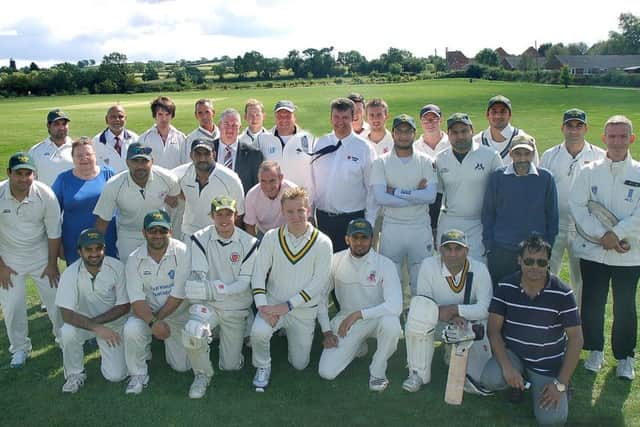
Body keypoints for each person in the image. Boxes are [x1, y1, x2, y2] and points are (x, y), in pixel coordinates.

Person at [480, 234, 582, 426]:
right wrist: (508, 368)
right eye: (529, 261)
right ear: (519, 260)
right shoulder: (505, 286)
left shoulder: (563, 293)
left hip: (547, 364)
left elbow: (576, 339)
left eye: (541, 262)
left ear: (548, 263)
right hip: (514, 355)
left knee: (552, 420)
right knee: (490, 379)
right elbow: (493, 331)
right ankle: (518, 381)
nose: (535, 267)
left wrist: (560, 383)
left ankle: (563, 385)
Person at [569, 115, 639, 380]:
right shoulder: (589, 171)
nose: (617, 141)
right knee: (592, 302)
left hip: (629, 253)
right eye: (612, 136)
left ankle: (624, 357)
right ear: (604, 138)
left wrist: (616, 234)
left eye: (623, 136)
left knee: (625, 305)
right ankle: (594, 350)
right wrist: (602, 236)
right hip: (593, 251)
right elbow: (578, 206)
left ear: (631, 138)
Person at [250, 187, 332, 390]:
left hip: (302, 311)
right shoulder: (270, 237)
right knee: (258, 332)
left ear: (308, 209)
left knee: (300, 365)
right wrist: (262, 307)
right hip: (272, 305)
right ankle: (263, 366)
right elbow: (258, 273)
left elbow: (318, 283)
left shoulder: (323, 242)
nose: (296, 216)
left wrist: (287, 306)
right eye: (290, 211)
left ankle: (287, 334)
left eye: (300, 210)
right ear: (282, 211)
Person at [182, 196, 258, 398]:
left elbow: (243, 283)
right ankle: (201, 375)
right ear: (211, 216)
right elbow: (199, 275)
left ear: (236, 215)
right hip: (211, 305)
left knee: (230, 367)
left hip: (235, 306)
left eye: (229, 214)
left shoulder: (249, 242)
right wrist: (207, 290)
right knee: (193, 332)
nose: (224, 219)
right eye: (219, 214)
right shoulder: (199, 237)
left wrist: (213, 289)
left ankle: (242, 328)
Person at [403, 229, 493, 394]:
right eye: (447, 248)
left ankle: (456, 356)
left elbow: (485, 309)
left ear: (467, 250)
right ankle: (417, 373)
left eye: (458, 249)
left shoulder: (479, 269)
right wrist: (447, 315)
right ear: (439, 249)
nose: (452, 254)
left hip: (468, 325)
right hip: (437, 320)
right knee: (417, 317)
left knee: (479, 379)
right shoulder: (428, 266)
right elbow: (424, 305)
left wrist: (455, 310)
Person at [318, 218, 402, 391]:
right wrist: (326, 331)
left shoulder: (385, 264)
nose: (359, 243)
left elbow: (395, 305)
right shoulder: (335, 260)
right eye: (354, 238)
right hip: (346, 321)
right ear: (347, 239)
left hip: (377, 318)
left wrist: (358, 314)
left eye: (364, 238)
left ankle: (378, 371)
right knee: (326, 373)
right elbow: (320, 297)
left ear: (372, 239)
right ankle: (358, 347)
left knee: (392, 324)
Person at [0, 152, 63, 368]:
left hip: (41, 255)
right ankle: (19, 349)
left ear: (34, 174)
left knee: (56, 300)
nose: (24, 178)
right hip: (8, 258)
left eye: (28, 174)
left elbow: (54, 232)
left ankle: (63, 339)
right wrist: (1, 267)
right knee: (13, 306)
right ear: (9, 173)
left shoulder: (45, 194)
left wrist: (52, 264)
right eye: (19, 173)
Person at [540, 109, 605, 307]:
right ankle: (547, 315)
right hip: (554, 225)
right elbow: (541, 191)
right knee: (548, 275)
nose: (574, 130)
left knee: (581, 280)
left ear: (586, 128)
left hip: (584, 229)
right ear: (562, 128)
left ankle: (578, 323)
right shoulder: (550, 155)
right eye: (569, 125)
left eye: (578, 126)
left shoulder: (599, 156)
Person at [123, 210, 189, 394]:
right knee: (131, 329)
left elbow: (177, 295)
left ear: (170, 232)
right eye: (153, 231)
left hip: (177, 314)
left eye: (162, 230)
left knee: (182, 367)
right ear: (144, 232)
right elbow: (136, 300)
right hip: (147, 315)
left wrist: (157, 322)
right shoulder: (133, 259)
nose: (158, 235)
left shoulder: (182, 252)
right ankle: (137, 374)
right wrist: (152, 323)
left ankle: (158, 342)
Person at [55, 228, 129, 393]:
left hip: (113, 324)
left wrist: (98, 326)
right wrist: (96, 328)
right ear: (79, 251)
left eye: (98, 248)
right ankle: (75, 374)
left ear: (104, 249)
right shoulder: (70, 274)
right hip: (85, 324)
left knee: (116, 376)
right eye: (88, 249)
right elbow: (66, 314)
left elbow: (124, 306)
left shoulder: (117, 267)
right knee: (67, 331)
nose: (94, 253)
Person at [371, 114, 438, 295]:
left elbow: (430, 196)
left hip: (420, 227)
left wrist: (395, 191)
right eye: (399, 131)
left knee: (422, 280)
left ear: (414, 133)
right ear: (392, 134)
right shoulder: (380, 162)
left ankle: (421, 321)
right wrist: (416, 195)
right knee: (391, 281)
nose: (403, 136)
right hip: (392, 227)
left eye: (407, 131)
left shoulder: (426, 161)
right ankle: (393, 318)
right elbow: (380, 198)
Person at [482, 134, 558, 287]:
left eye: (527, 153)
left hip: (534, 252)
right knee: (501, 295)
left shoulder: (546, 178)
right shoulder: (498, 176)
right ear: (510, 154)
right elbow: (488, 213)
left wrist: (546, 248)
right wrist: (490, 245)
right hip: (502, 250)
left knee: (533, 295)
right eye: (518, 153)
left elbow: (552, 216)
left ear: (533, 154)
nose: (522, 158)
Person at [93, 143, 180, 261]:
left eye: (144, 161)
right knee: (129, 272)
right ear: (127, 162)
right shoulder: (114, 185)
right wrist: (96, 248)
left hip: (157, 232)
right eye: (135, 161)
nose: (140, 166)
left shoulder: (167, 178)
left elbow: (174, 202)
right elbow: (102, 221)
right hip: (129, 234)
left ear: (152, 161)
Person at [310, 97, 376, 252]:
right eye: (336, 117)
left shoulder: (364, 148)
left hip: (352, 220)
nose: (340, 121)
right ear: (330, 117)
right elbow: (312, 182)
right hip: (322, 220)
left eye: (345, 117)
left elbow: (372, 190)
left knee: (350, 270)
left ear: (353, 118)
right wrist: (310, 214)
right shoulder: (320, 143)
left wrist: (370, 224)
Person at [434, 113, 502, 262]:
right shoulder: (440, 159)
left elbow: (501, 195)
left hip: (479, 223)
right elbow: (437, 196)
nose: (460, 136)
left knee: (477, 269)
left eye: (464, 131)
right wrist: (433, 227)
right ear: (449, 135)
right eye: (455, 132)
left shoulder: (491, 156)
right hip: (450, 221)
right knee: (448, 269)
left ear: (472, 130)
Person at [52, 137, 118, 265]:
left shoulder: (109, 175)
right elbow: (52, 215)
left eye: (88, 154)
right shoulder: (63, 180)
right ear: (73, 158)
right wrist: (59, 244)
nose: (84, 158)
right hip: (75, 244)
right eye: (79, 155)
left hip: (107, 241)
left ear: (95, 156)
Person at [177, 139, 245, 241]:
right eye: (198, 154)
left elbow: (239, 214)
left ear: (214, 154)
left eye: (206, 154)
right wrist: (175, 193)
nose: (202, 158)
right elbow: (162, 179)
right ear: (191, 155)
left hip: (217, 235)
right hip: (189, 234)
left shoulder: (230, 179)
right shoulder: (181, 173)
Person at [254, 100, 314, 190]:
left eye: (288, 115)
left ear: (295, 117)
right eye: (280, 116)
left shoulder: (308, 138)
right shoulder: (262, 139)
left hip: (299, 198)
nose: (283, 119)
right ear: (275, 117)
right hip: (272, 199)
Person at [473, 95, 538, 165]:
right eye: (494, 112)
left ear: (510, 115)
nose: (498, 116)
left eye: (503, 111)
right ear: (487, 115)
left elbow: (534, 170)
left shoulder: (525, 141)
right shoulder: (476, 141)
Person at [212, 108, 264, 195]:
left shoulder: (254, 155)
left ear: (239, 127)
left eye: (234, 125)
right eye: (226, 124)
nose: (230, 129)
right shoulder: (207, 150)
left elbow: (258, 188)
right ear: (219, 125)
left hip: (242, 206)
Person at [243, 160, 297, 238]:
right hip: (264, 234)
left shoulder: (293, 191)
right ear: (258, 179)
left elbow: (301, 219)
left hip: (289, 233)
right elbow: (249, 225)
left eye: (272, 181)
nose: (268, 186)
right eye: (263, 181)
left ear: (281, 178)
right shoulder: (252, 195)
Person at [137, 96, 188, 169]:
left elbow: (185, 164)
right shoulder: (143, 138)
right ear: (154, 115)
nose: (164, 119)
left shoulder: (181, 138)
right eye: (160, 114)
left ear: (172, 116)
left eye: (167, 114)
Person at [29, 108, 73, 186]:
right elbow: (30, 180)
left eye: (64, 124)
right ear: (48, 126)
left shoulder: (78, 149)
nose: (61, 128)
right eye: (56, 124)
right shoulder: (35, 151)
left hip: (71, 197)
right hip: (45, 197)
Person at [93, 104, 138, 173]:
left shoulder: (135, 139)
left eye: (121, 117)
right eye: (113, 117)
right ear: (106, 119)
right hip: (107, 183)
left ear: (125, 119)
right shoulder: (96, 142)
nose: (117, 120)